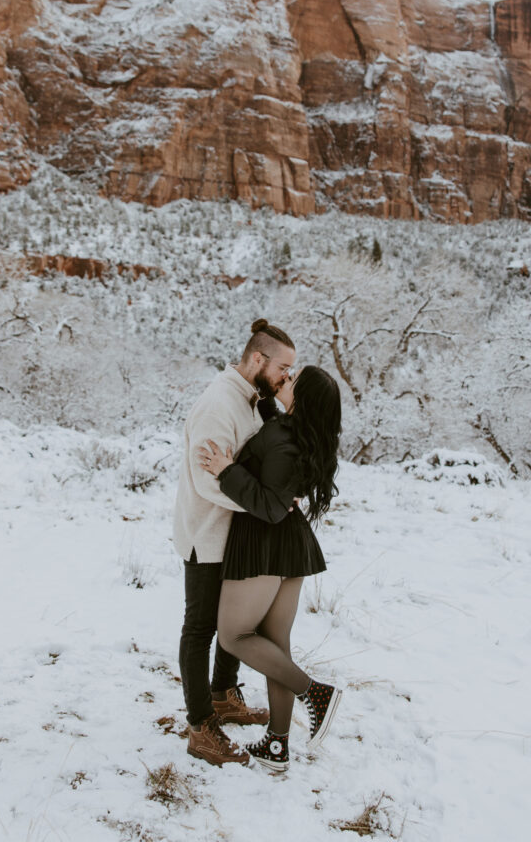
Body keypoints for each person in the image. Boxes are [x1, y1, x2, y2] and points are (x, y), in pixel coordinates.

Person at [198, 364, 342, 773]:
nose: (286, 378)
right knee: (275, 647)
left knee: (234, 635)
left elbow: (270, 506)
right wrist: (263, 402)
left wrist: (226, 470)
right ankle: (278, 746)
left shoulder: (282, 439)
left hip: (265, 543)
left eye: (293, 380)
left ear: (303, 399)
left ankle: (314, 693)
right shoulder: (296, 432)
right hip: (289, 547)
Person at [173, 318, 297, 766]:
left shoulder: (251, 399)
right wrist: (265, 504)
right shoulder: (218, 404)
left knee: (234, 624)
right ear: (258, 359)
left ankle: (224, 695)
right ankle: (199, 726)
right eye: (284, 368)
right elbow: (208, 481)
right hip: (207, 535)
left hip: (235, 535)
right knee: (201, 629)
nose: (287, 377)